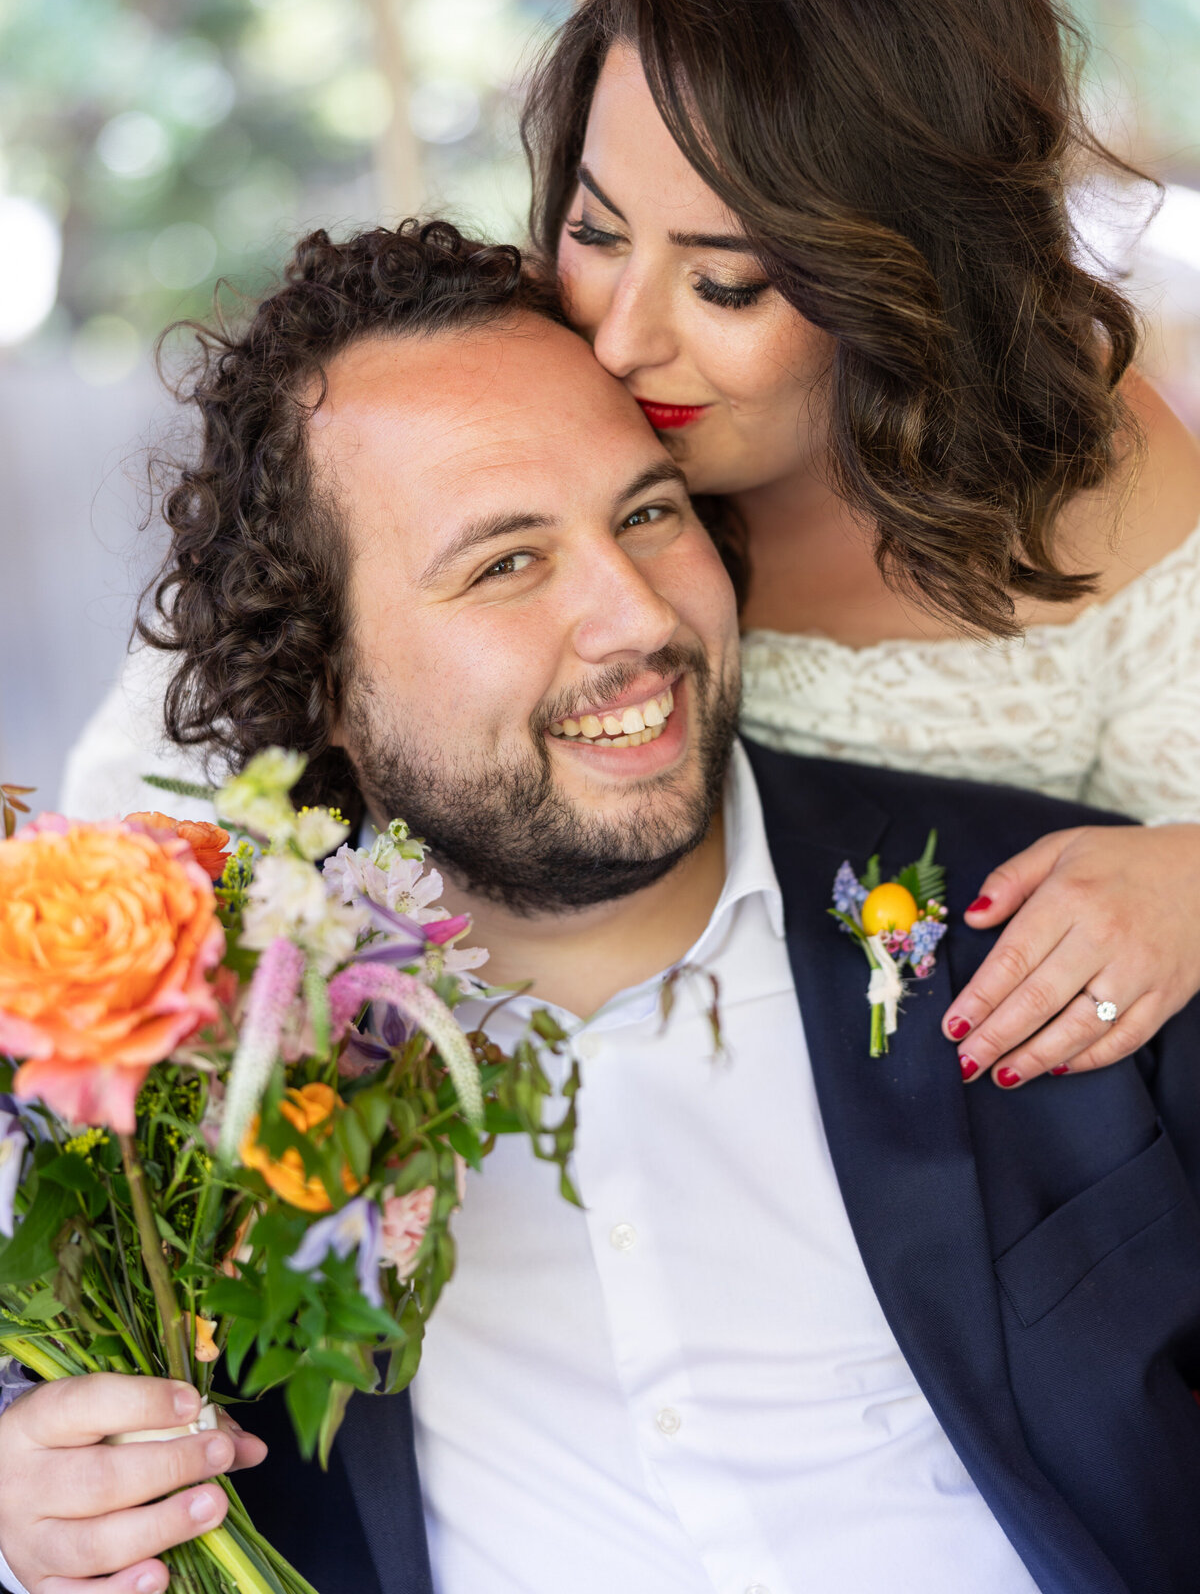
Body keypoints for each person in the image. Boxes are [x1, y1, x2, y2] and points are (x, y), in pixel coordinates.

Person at [8, 221, 1200, 1594]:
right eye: (506, 563)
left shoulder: (1067, 920)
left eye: (648, 513)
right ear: (323, 674)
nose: (636, 617)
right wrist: (36, 1502)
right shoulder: (193, 1053)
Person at [520, 0, 1200, 1093]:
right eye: (595, 229)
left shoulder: (1097, 475)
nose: (619, 338)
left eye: (727, 282)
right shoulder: (507, 395)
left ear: (911, 276)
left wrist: (1190, 883)